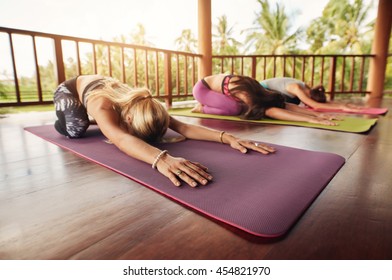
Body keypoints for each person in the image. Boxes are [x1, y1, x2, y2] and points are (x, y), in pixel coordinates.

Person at [53, 75, 276, 188]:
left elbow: (184, 127)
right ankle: (79, 120)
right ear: (128, 118)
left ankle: (103, 123)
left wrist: (228, 138)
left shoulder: (147, 106)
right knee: (76, 129)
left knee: (109, 126)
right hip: (72, 89)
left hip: (107, 90)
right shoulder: (102, 105)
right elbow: (121, 138)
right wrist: (161, 158)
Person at [192, 74, 339, 125]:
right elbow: (270, 111)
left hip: (224, 91)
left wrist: (317, 115)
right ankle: (202, 107)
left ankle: (209, 103)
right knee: (235, 109)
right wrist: (308, 120)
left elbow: (284, 105)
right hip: (203, 89)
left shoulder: (260, 90)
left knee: (241, 107)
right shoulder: (247, 94)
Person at [260, 77, 362, 111]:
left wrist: (345, 105)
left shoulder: (307, 88)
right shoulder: (297, 88)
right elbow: (315, 105)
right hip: (260, 90)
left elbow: (318, 103)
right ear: (310, 97)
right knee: (292, 102)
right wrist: (342, 107)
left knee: (294, 101)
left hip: (272, 92)